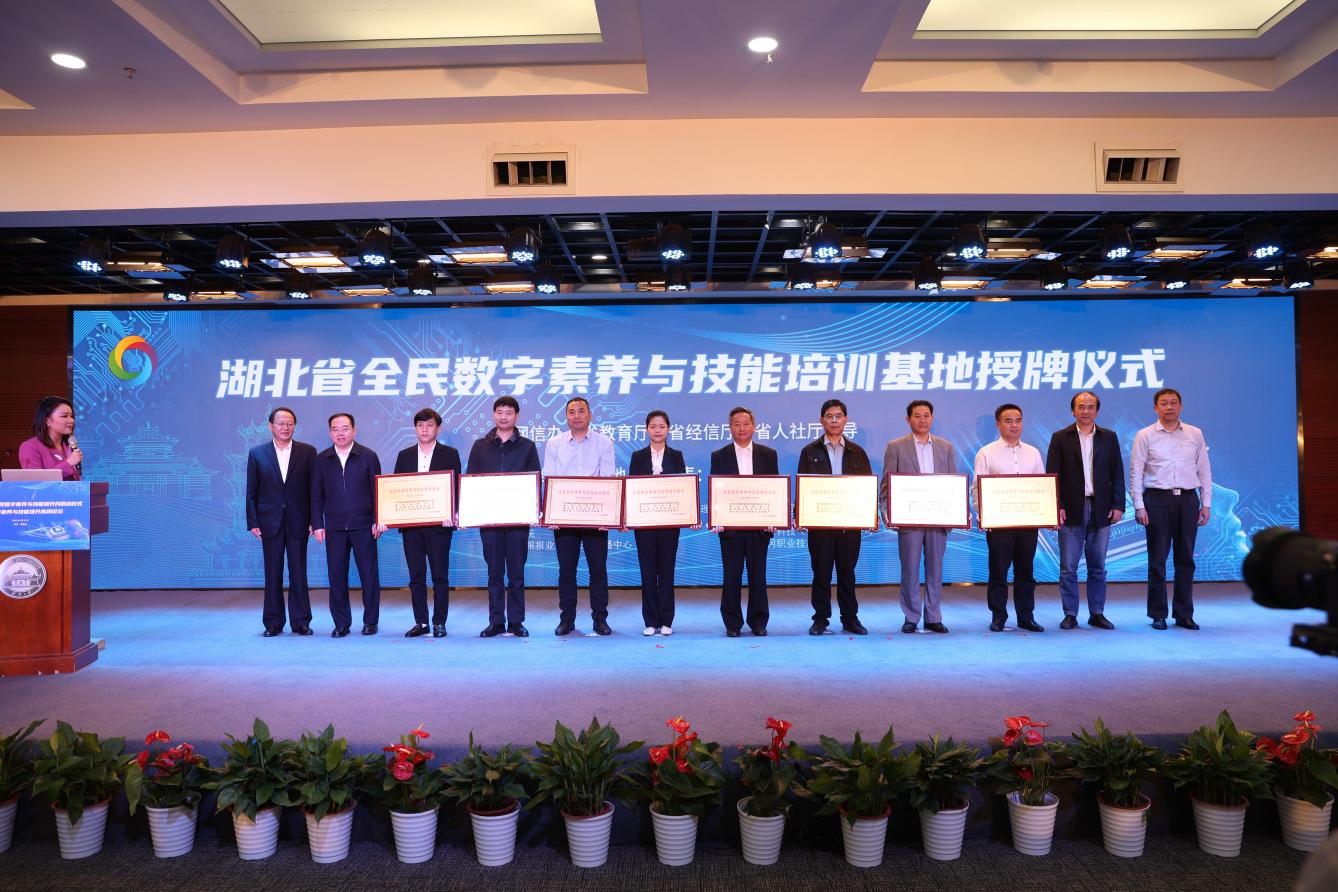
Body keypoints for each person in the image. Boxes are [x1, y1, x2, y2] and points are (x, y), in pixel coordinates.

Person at [1129, 387, 1212, 630]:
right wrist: (1139, 505)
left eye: (1173, 402)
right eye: (1164, 403)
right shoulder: (1145, 435)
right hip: (1157, 501)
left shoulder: (1195, 433)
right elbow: (1136, 472)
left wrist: (1206, 503)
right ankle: (1158, 614)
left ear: (1181, 406)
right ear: (1156, 408)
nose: (1169, 407)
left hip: (1187, 500)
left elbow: (1204, 470)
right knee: (1157, 560)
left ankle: (1184, 614)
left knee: (1185, 559)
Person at [1045, 391, 1125, 630]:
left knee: (1098, 566)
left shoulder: (1109, 437)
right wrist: (1056, 505)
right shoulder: (1060, 438)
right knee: (1068, 567)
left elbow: (1117, 473)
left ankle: (1097, 613)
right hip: (1071, 510)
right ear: (1073, 411)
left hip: (1101, 509)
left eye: (1091, 407)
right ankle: (1070, 613)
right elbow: (1053, 475)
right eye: (1081, 406)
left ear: (1097, 411)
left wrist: (1118, 505)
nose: (1086, 411)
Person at [880, 399, 960, 634]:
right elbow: (887, 484)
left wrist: (954, 514)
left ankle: (933, 616)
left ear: (932, 418)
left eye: (926, 416)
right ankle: (911, 616)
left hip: (938, 518)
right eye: (917, 416)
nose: (922, 420)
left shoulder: (945, 447)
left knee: (935, 569)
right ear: (908, 419)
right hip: (909, 519)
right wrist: (887, 512)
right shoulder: (896, 446)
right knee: (910, 569)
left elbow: (952, 482)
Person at [467, 395, 541, 638]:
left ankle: (516, 622)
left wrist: (533, 509)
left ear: (516, 416)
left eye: (509, 413)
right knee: (494, 573)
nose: (504, 417)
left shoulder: (527, 446)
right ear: (493, 415)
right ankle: (496, 621)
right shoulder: (480, 446)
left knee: (517, 573)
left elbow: (535, 480)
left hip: (518, 519)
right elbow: (471, 480)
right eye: (499, 412)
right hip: (489, 519)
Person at [797, 399, 873, 635]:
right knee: (821, 573)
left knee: (847, 573)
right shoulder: (809, 451)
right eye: (829, 416)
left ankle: (850, 618)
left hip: (850, 525)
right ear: (821, 420)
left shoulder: (858, 452)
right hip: (820, 525)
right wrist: (800, 515)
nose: (834, 420)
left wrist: (870, 515)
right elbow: (803, 487)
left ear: (845, 420)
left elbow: (866, 488)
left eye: (838, 416)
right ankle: (820, 619)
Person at [544, 396, 617, 636]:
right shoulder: (554, 444)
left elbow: (608, 480)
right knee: (566, 572)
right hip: (564, 519)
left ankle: (600, 619)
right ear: (566, 416)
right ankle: (567, 620)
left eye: (581, 411)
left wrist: (607, 517)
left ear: (590, 415)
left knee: (598, 571)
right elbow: (549, 479)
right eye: (572, 411)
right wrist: (551, 514)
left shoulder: (604, 443)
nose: (576, 415)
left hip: (595, 519)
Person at [311, 412, 385, 638]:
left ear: (354, 431)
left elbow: (378, 491)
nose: (340, 433)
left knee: (369, 576)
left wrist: (379, 519)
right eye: (335, 429)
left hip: (364, 526)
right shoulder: (321, 459)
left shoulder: (368, 456)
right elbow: (316, 495)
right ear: (330, 433)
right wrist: (318, 524)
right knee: (336, 577)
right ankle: (341, 623)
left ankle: (370, 621)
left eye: (345, 428)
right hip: (334, 528)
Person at [974, 403, 1046, 633]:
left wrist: (1046, 513)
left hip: (1028, 522)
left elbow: (1042, 486)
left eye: (1018, 420)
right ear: (998, 424)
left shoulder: (1033, 452)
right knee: (998, 571)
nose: (1014, 425)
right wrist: (983, 515)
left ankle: (1026, 617)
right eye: (1008, 421)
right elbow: (977, 488)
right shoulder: (986, 452)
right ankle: (998, 616)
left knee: (1026, 571)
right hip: (999, 524)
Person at [245, 407, 316, 636]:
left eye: (289, 423)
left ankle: (301, 621)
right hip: (269, 522)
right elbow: (251, 491)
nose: (285, 427)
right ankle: (273, 622)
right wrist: (253, 522)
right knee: (272, 574)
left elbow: (313, 490)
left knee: (298, 573)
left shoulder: (307, 452)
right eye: (281, 423)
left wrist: (314, 520)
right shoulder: (257, 453)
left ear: (294, 426)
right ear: (270, 426)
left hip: (299, 521)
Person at [710, 406, 779, 637]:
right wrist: (717, 518)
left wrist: (773, 518)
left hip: (759, 527)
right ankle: (732, 623)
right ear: (730, 428)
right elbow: (717, 490)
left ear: (754, 426)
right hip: (730, 527)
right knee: (731, 576)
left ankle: (758, 622)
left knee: (758, 575)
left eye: (746, 423)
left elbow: (774, 490)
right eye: (736, 424)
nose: (741, 428)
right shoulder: (719, 456)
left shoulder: (768, 455)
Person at [393, 407, 461, 639]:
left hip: (439, 526)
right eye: (420, 425)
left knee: (440, 576)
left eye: (429, 425)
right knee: (416, 577)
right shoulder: (404, 455)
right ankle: (421, 622)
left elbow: (456, 487)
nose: (424, 429)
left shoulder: (449, 454)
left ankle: (439, 622)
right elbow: (396, 490)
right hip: (411, 526)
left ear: (437, 428)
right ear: (415, 428)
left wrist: (452, 511)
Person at [629, 409, 688, 636]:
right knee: (647, 573)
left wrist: (688, 515)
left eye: (662, 427)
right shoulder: (637, 457)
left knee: (666, 572)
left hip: (669, 525)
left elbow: (683, 489)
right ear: (646, 429)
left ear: (668, 429)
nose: (657, 430)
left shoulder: (676, 456)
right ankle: (650, 621)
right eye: (653, 427)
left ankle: (666, 620)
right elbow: (632, 489)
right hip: (644, 524)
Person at [18, 396, 83, 480]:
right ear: (47, 421)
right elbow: (34, 481)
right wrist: (68, 463)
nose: (71, 420)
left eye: (71, 416)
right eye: (64, 416)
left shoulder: (68, 446)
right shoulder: (30, 447)